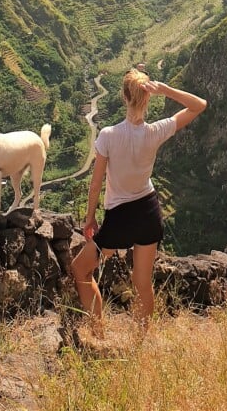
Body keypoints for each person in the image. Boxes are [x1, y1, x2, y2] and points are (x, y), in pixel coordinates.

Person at [71, 67, 207, 329]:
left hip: (119, 218)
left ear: (124, 97)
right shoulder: (155, 131)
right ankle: (141, 341)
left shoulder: (109, 135)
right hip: (148, 212)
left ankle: (98, 331)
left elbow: (96, 183)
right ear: (147, 99)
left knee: (81, 270)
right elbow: (199, 105)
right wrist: (165, 90)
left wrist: (90, 219)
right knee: (142, 284)